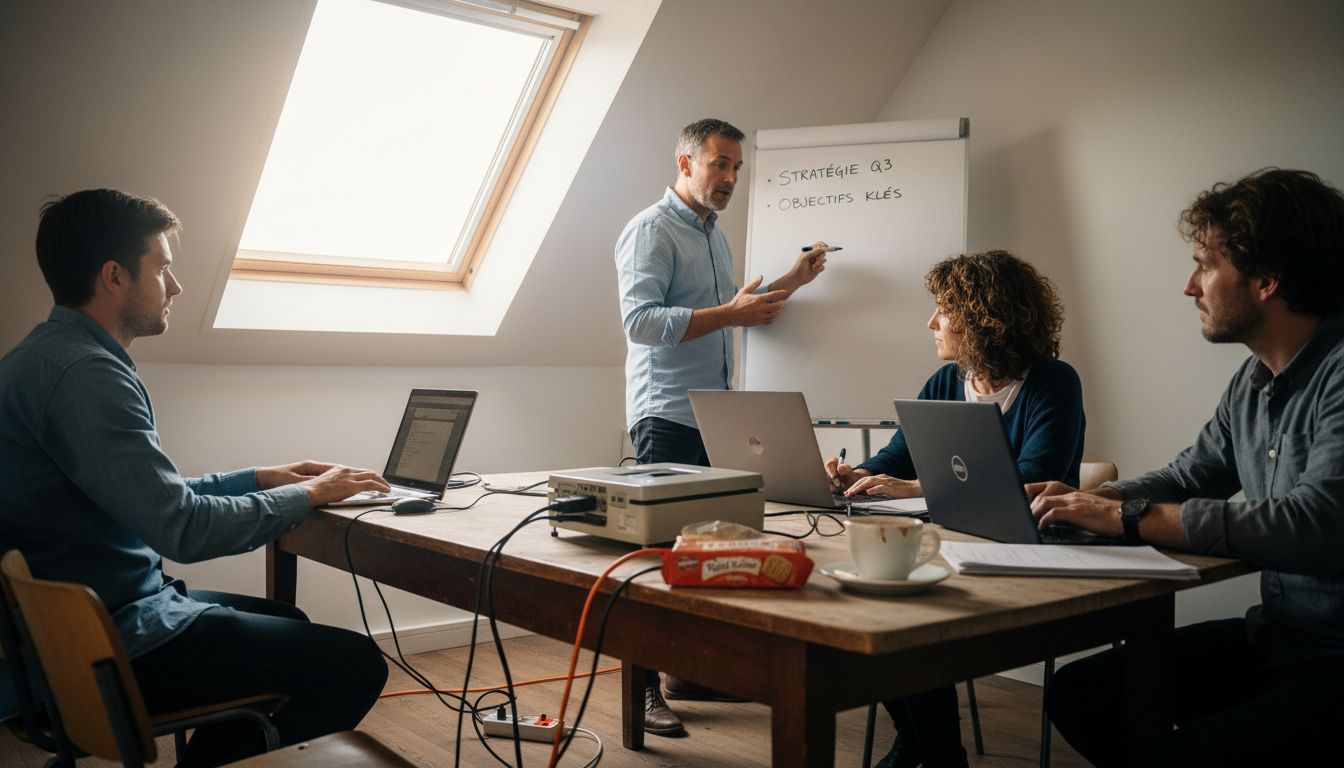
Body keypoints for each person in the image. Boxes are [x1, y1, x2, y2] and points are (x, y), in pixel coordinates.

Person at [0, 189, 394, 768]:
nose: (176, 286)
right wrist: (306, 494)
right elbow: (182, 529)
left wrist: (260, 478)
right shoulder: (87, 375)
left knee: (288, 621)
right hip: (113, 644)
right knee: (355, 663)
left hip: (87, 625)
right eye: (162, 267)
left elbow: (149, 495)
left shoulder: (39, 357)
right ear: (113, 277)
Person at [1029, 168, 1344, 768]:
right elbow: (1190, 474)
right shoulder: (1252, 382)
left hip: (1333, 657)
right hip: (1280, 639)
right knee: (1083, 694)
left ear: (1267, 280)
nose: (1189, 286)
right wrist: (1087, 501)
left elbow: (1318, 525)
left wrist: (1129, 516)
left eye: (1205, 264)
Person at [826, 250, 1086, 768]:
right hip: (949, 544)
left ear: (983, 314)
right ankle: (927, 747)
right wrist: (854, 474)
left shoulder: (1053, 382)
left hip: (1029, 551)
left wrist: (911, 489)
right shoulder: (945, 383)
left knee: (905, 612)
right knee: (875, 605)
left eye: (943, 308)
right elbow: (893, 458)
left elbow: (1032, 482)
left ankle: (932, 752)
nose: (931, 322)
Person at [615, 118, 830, 735]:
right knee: (654, 558)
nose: (731, 177)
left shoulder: (713, 234)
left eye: (737, 167)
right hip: (666, 414)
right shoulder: (649, 231)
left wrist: (792, 280)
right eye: (720, 165)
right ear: (685, 163)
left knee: (706, 551)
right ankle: (644, 692)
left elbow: (731, 314)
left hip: (713, 415)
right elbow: (642, 323)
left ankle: (686, 671)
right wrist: (728, 313)